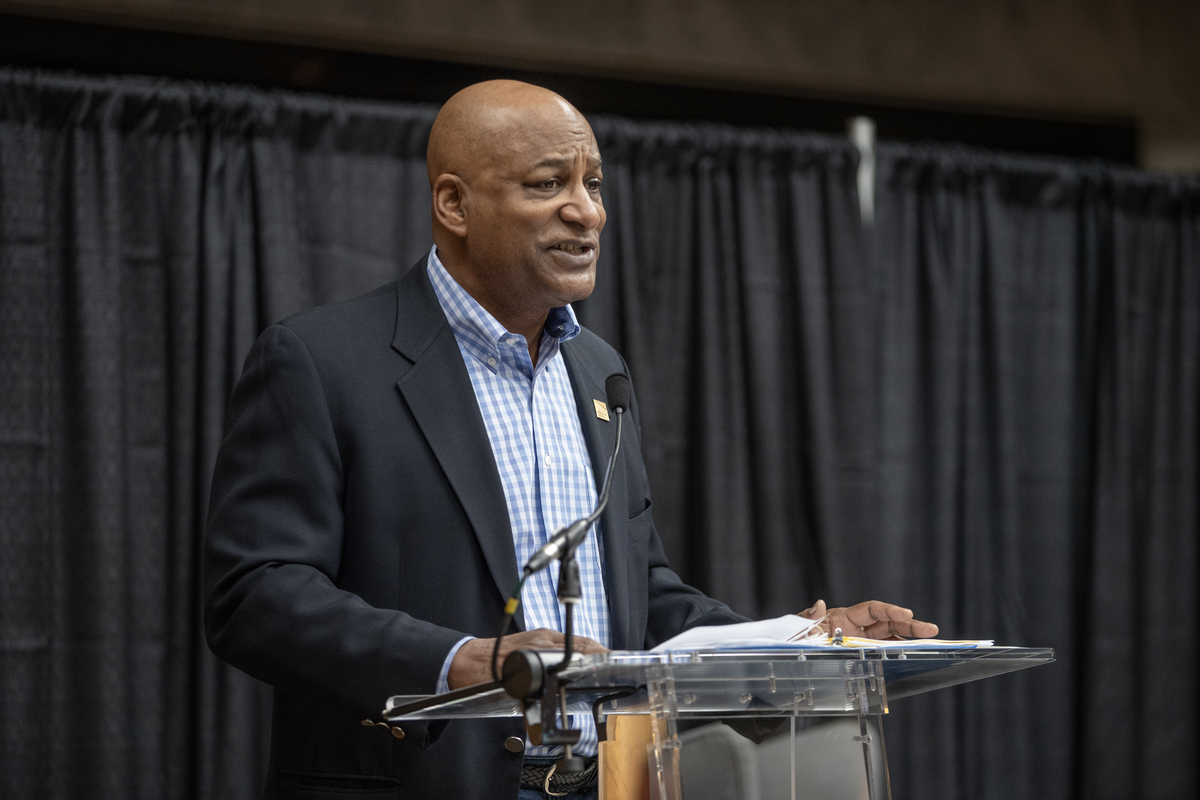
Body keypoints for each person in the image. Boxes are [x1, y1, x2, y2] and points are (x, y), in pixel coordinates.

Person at [203, 79, 937, 800]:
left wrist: (800, 643)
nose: (587, 212)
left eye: (592, 183)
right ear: (453, 204)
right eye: (548, 183)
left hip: (605, 782)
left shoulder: (598, 368)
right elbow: (255, 595)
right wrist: (463, 660)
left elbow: (639, 604)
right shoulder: (323, 359)